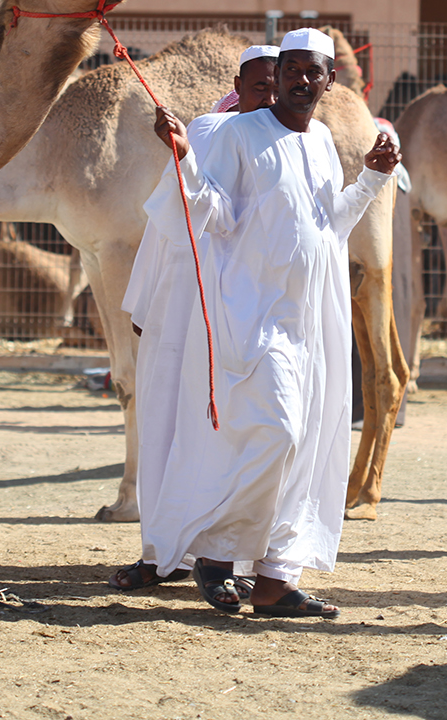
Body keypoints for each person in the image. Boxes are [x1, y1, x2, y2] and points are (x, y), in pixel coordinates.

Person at [145, 28, 399, 618]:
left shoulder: (321, 142)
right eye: (292, 69)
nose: (301, 80)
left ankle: (276, 580)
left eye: (314, 71)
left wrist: (372, 178)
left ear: (329, 80)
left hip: (307, 320)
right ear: (278, 73)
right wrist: (183, 158)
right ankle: (214, 551)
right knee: (279, 432)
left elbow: (330, 225)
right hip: (251, 316)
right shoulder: (238, 133)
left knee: (304, 445)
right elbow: (211, 214)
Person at [108, 43, 279, 593]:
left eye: (279, 87)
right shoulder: (207, 132)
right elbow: (164, 218)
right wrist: (146, 299)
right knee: (164, 423)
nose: (270, 98)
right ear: (240, 84)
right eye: (260, 87)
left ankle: (225, 556)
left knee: (232, 433)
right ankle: (162, 554)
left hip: (245, 319)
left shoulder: (295, 145)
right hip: (182, 304)